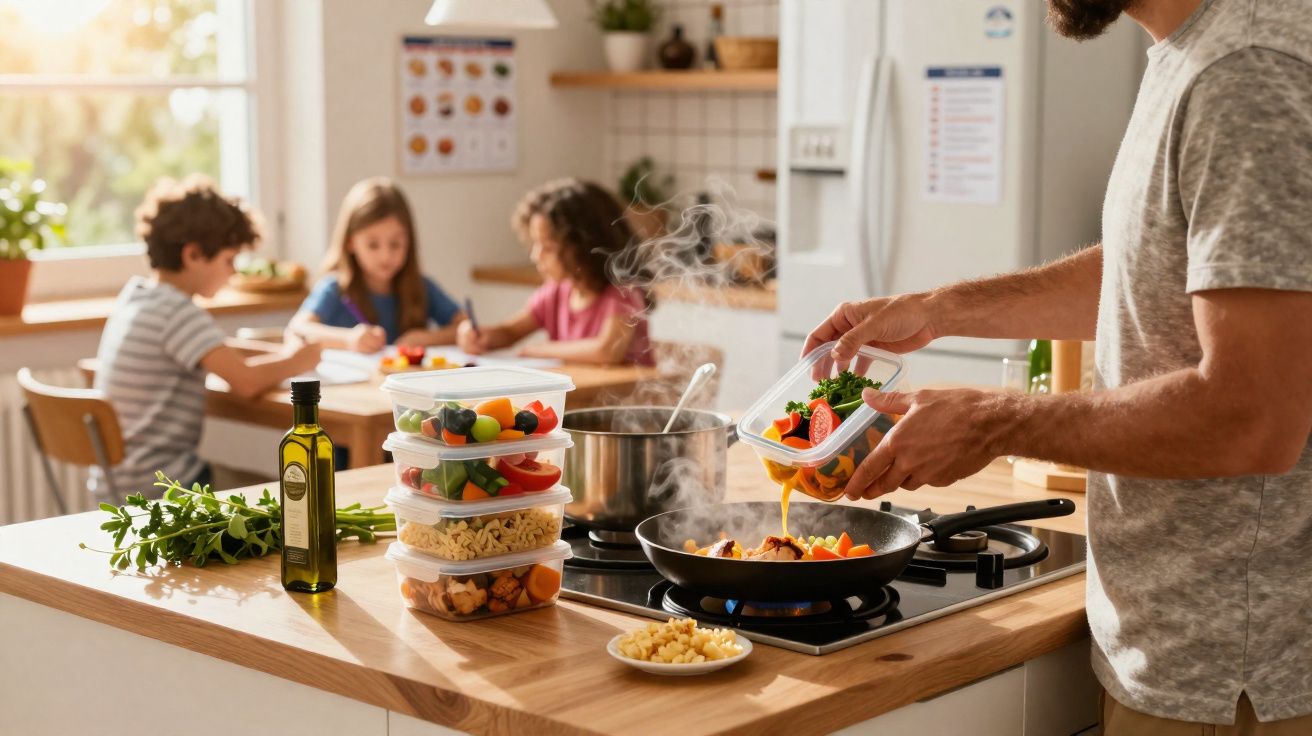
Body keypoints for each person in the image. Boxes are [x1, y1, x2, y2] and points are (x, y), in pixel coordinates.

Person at [808, 0, 1312, 732]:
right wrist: (939, 308)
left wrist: (993, 422)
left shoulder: (1245, 70)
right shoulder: (1196, 49)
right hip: (1175, 651)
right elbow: (1155, 265)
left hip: (1234, 680)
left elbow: (1253, 417)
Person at [94, 176, 321, 500]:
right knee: (288, 494)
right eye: (229, 260)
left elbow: (220, 352)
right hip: (165, 487)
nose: (233, 272)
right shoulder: (178, 313)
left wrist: (277, 353)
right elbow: (246, 381)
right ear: (194, 255)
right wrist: (299, 360)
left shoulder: (138, 297)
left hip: (117, 484)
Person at [456, 179, 655, 366]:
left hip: (628, 392)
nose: (536, 256)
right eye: (535, 245)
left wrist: (538, 350)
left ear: (585, 246)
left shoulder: (623, 293)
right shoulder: (556, 292)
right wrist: (479, 336)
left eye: (548, 248)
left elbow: (607, 350)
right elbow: (509, 332)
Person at [287, 177, 465, 352]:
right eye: (373, 245)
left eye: (395, 244)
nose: (385, 256)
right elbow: (297, 329)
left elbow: (465, 326)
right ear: (350, 242)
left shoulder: (421, 287)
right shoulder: (335, 289)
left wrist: (426, 339)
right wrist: (348, 339)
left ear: (409, 241)